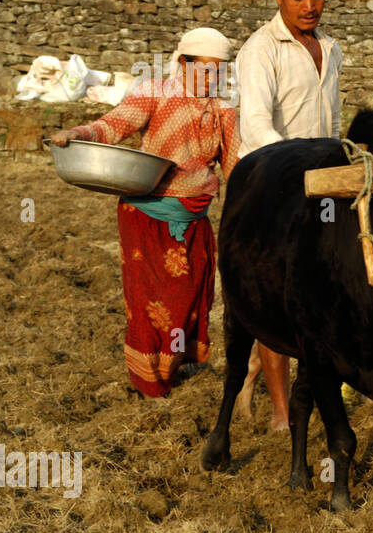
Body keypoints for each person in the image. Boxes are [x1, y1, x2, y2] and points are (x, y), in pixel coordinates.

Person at [47, 28, 240, 398]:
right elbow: (114, 125)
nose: (212, 79)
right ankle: (149, 383)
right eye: (205, 70)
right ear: (183, 64)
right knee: (148, 303)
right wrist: (78, 132)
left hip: (193, 220)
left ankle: (169, 368)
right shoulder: (155, 93)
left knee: (187, 300)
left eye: (219, 72)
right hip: (146, 217)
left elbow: (234, 168)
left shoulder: (224, 112)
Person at [234, 0, 343, 430]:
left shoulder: (331, 49)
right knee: (271, 296)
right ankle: (282, 414)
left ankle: (298, 385)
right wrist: (294, 172)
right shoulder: (260, 50)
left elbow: (333, 123)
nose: (310, 6)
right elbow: (256, 123)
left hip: (321, 188)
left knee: (322, 292)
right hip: (271, 188)